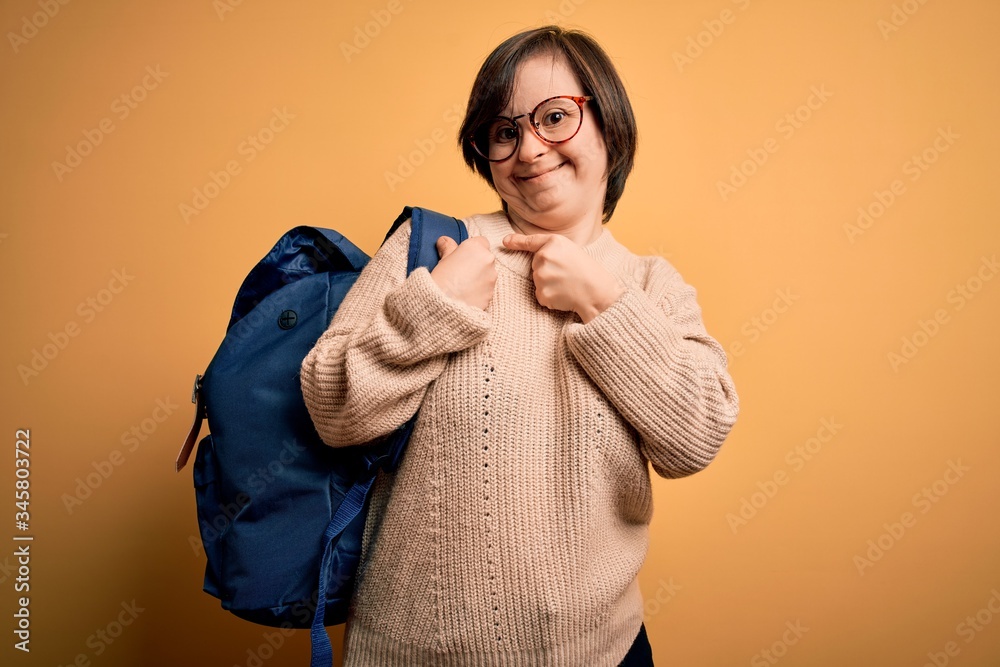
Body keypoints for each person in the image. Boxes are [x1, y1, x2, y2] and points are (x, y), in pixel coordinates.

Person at [300, 25, 739, 667]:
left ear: (608, 129)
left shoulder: (651, 284)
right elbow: (332, 409)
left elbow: (696, 438)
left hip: (602, 652)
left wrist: (604, 302)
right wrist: (436, 308)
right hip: (412, 654)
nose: (530, 148)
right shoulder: (432, 250)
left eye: (555, 117)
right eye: (504, 132)